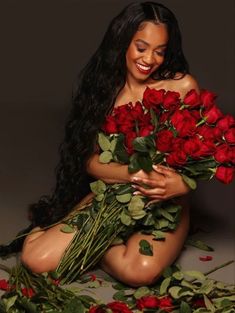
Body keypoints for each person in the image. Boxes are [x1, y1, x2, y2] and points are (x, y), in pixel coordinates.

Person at [21, 1, 200, 287]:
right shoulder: (104, 94)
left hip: (165, 202)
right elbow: (90, 161)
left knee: (140, 271)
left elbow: (199, 154)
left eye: (160, 51)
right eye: (141, 47)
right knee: (35, 260)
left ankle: (97, 247)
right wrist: (133, 175)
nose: (149, 59)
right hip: (113, 193)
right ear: (122, 43)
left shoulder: (182, 87)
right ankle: (74, 231)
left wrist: (181, 185)